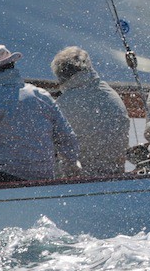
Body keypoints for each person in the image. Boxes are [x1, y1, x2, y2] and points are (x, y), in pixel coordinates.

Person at [0, 44, 81, 186]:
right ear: (12, 65)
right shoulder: (41, 96)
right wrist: (72, 170)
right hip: (44, 182)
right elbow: (66, 138)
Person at [50, 46, 131, 177]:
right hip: (115, 175)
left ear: (61, 75)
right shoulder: (111, 94)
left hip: (78, 180)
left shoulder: (62, 105)